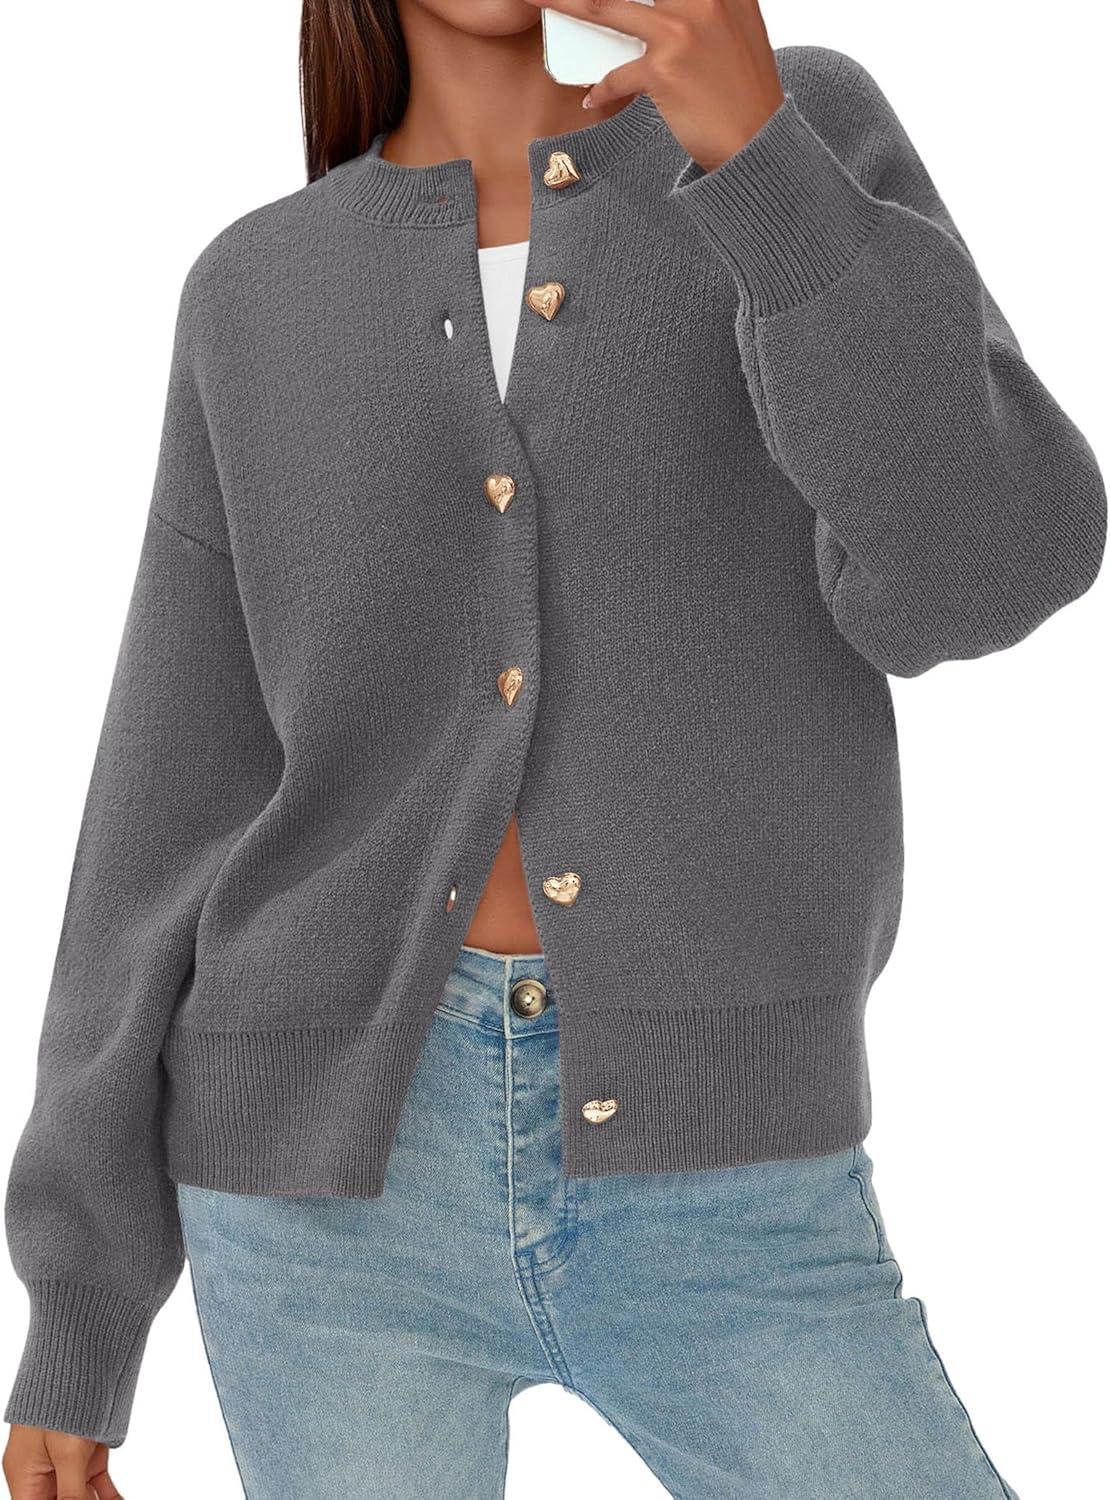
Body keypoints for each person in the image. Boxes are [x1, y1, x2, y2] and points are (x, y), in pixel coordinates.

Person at [3, 0, 1104, 1495]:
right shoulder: (255, 289)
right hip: (320, 1207)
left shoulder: (796, 138)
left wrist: (757, 158)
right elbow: (167, 793)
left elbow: (987, 568)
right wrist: (81, 1309)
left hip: (728, 1175)